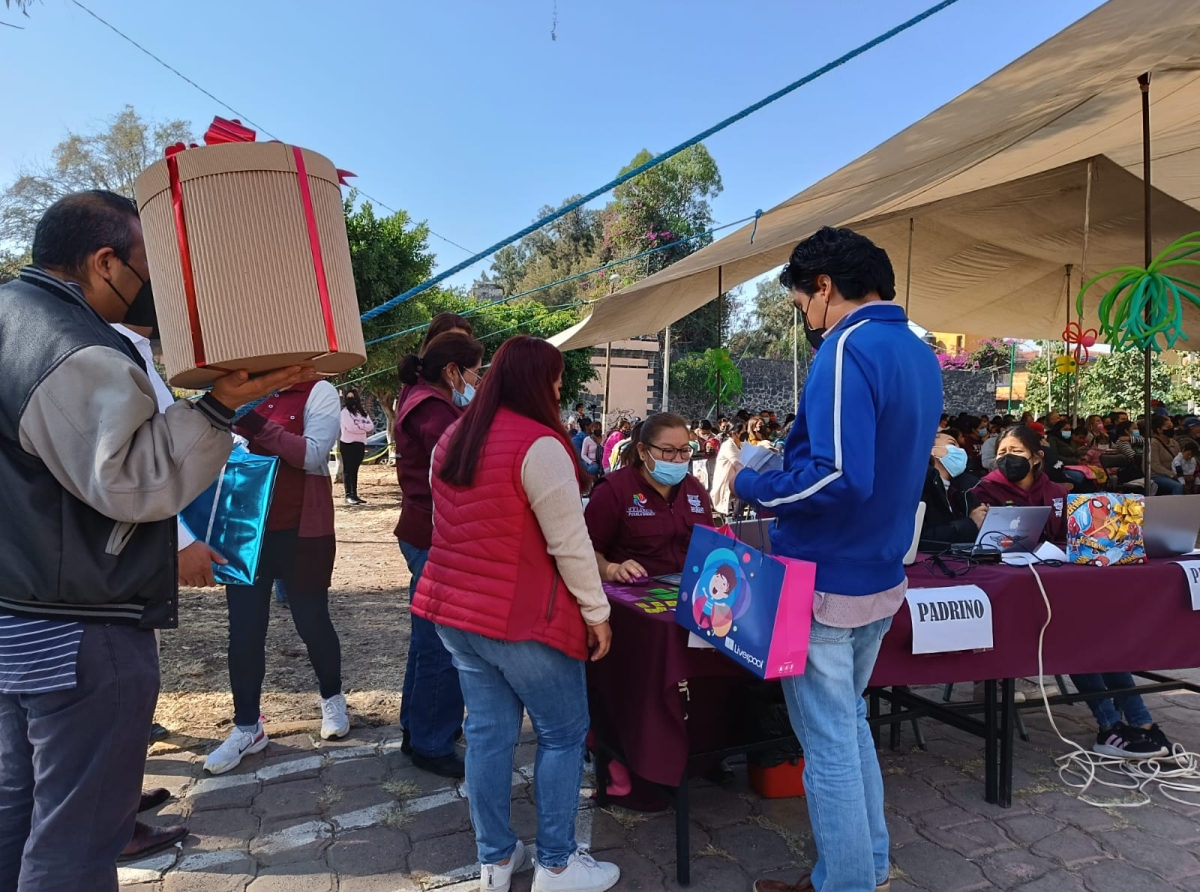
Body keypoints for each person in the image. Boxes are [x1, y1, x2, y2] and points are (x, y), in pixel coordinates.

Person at [0, 191, 309, 890]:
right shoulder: (73, 348)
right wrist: (221, 407)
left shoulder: (11, 318)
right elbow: (135, 482)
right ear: (104, 262)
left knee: (17, 816)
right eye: (148, 267)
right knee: (74, 841)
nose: (157, 290)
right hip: (79, 627)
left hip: (17, 617)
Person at [734, 227, 942, 892]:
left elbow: (839, 475)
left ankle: (846, 881)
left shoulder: (846, 347)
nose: (803, 319)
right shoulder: (917, 352)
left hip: (824, 578)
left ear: (823, 287)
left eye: (800, 305)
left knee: (826, 746)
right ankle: (863, 868)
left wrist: (753, 479)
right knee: (847, 726)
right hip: (878, 570)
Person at [414, 335, 620, 892]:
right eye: (556, 380)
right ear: (538, 383)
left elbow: (445, 530)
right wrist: (596, 612)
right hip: (518, 619)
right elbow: (570, 544)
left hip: (455, 613)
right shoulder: (541, 445)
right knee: (562, 732)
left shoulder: (454, 438)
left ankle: (496, 859)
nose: (559, 390)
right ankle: (557, 864)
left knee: (487, 734)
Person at [204, 375, 349, 774]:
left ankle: (332, 698)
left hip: (302, 531)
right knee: (245, 631)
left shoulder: (318, 391)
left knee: (312, 620)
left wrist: (254, 425)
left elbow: (313, 454)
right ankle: (247, 727)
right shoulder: (237, 390)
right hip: (245, 533)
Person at [393, 332, 484, 778]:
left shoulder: (423, 399)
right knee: (443, 644)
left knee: (427, 640)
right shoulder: (433, 410)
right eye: (474, 370)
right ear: (453, 371)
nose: (478, 379)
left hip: (423, 531)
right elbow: (458, 465)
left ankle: (418, 730)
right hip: (432, 535)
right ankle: (432, 740)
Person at [586, 413, 714, 583]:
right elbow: (586, 555)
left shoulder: (695, 490)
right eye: (668, 451)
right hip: (632, 599)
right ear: (643, 451)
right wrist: (613, 570)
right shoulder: (613, 490)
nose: (678, 459)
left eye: (684, 450)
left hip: (690, 594)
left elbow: (712, 545)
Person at [971, 425, 1070, 543]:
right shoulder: (983, 490)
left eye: (1016, 451)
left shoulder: (1057, 492)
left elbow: (1066, 536)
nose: (1008, 457)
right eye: (1002, 452)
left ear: (1037, 458)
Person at [919, 431, 986, 550]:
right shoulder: (921, 485)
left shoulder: (967, 486)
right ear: (931, 449)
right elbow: (920, 538)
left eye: (959, 447)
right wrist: (970, 523)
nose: (960, 451)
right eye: (952, 444)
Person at [339, 389, 375, 505]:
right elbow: (350, 427)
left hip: (360, 444)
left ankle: (355, 494)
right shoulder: (344, 412)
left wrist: (359, 426)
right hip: (347, 444)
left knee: (355, 470)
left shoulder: (362, 413)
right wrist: (362, 427)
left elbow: (371, 427)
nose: (351, 399)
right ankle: (348, 495)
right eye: (348, 397)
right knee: (348, 470)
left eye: (352, 397)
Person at [711, 422, 747, 520]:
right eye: (742, 431)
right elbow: (737, 463)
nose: (745, 433)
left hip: (737, 479)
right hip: (726, 483)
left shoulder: (743, 445)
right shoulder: (728, 446)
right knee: (747, 491)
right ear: (734, 433)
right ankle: (736, 516)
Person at [1149, 415, 1183, 495]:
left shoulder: (1174, 443)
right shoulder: (1152, 443)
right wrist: (1172, 475)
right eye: (1168, 427)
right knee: (1177, 486)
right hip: (1157, 475)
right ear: (1159, 430)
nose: (1172, 429)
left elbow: (1179, 460)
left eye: (1172, 426)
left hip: (1174, 474)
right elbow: (1155, 465)